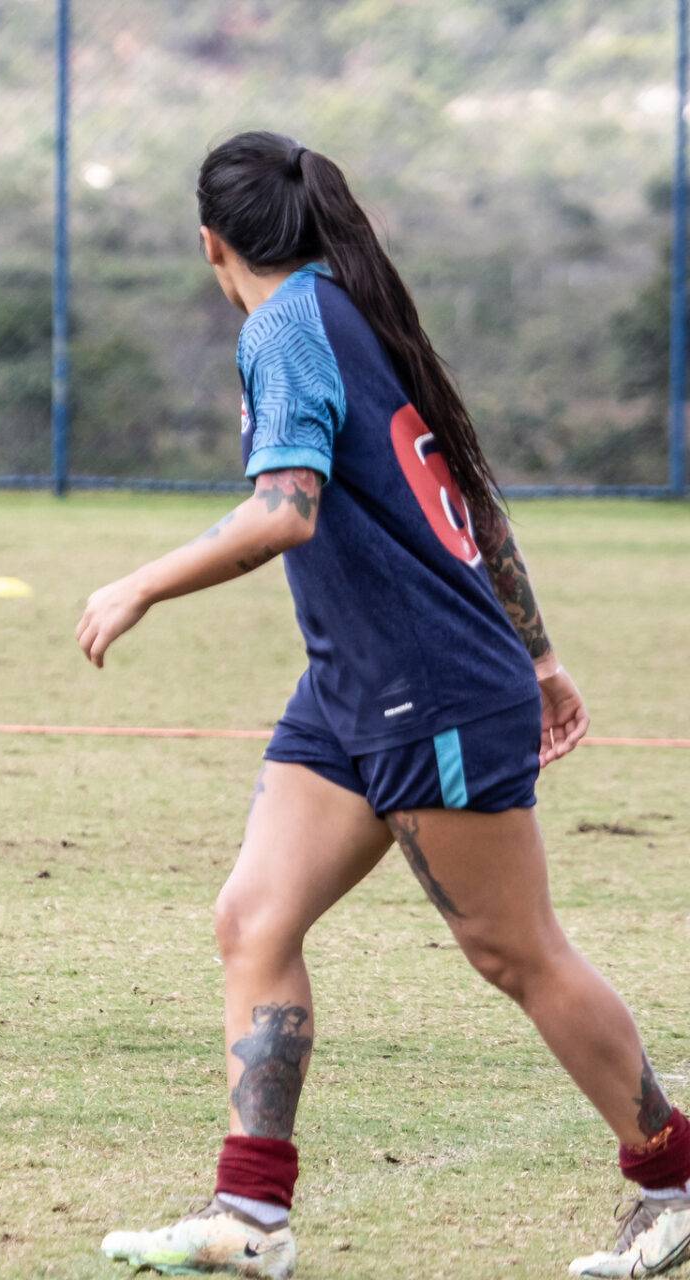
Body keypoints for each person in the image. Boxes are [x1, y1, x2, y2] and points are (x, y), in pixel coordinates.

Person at [81, 131, 690, 1279]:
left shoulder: (286, 325)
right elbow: (474, 500)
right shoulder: (348, 305)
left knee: (516, 951)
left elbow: (287, 507)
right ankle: (250, 1217)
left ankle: (673, 1174)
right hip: (355, 685)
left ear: (208, 243)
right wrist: (545, 650)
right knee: (253, 919)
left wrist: (142, 581)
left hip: (435, 689)